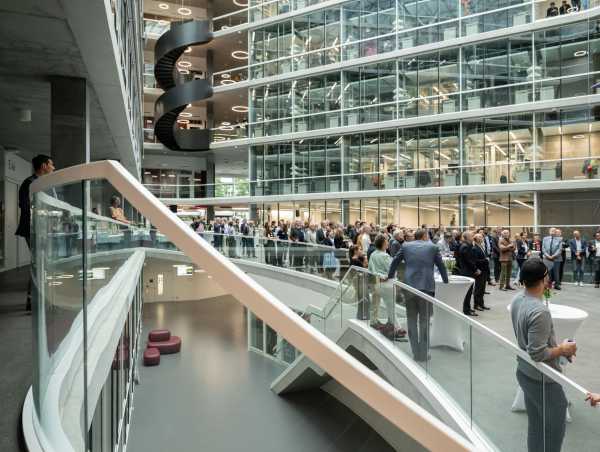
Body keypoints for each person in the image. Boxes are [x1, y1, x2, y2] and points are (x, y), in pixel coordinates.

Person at [511, 258, 576, 452]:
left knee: (536, 426)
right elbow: (537, 353)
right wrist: (563, 349)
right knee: (554, 432)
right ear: (544, 279)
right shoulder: (540, 312)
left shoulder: (517, 299)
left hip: (524, 372)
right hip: (543, 380)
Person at [388, 228, 449, 361]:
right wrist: (445, 281)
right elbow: (441, 266)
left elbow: (394, 262)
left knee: (411, 320)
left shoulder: (405, 246)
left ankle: (416, 352)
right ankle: (424, 353)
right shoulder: (432, 247)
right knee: (424, 321)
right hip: (427, 287)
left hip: (409, 286)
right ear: (425, 236)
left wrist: (390, 276)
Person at [15, 154, 55, 312]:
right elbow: (26, 208)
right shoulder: (29, 184)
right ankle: (34, 300)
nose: (53, 168)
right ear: (44, 166)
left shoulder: (45, 185)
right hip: (33, 230)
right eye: (51, 164)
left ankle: (39, 298)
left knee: (42, 264)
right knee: (38, 263)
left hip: (43, 230)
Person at [456, 231, 480, 316]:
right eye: (471, 236)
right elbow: (468, 260)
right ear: (467, 237)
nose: (473, 237)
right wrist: (475, 269)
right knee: (468, 292)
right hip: (467, 272)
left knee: (469, 292)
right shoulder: (465, 246)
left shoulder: (467, 245)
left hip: (468, 271)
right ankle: (466, 310)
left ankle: (468, 308)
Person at [472, 234, 490, 311]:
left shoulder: (481, 246)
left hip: (484, 270)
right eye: (479, 237)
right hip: (479, 271)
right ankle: (476, 305)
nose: (481, 238)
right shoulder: (475, 248)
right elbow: (475, 261)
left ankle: (481, 304)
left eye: (481, 237)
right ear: (475, 239)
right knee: (478, 289)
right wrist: (485, 260)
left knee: (482, 288)